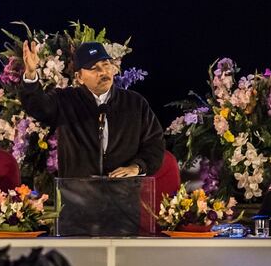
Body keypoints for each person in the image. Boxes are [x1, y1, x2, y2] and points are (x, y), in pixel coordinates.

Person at [20, 41, 164, 178]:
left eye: (106, 64)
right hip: (79, 196)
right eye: (94, 68)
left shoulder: (135, 103)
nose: (103, 72)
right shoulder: (65, 100)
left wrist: (138, 167)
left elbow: (154, 143)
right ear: (79, 77)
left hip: (123, 195)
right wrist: (31, 75)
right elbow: (38, 107)